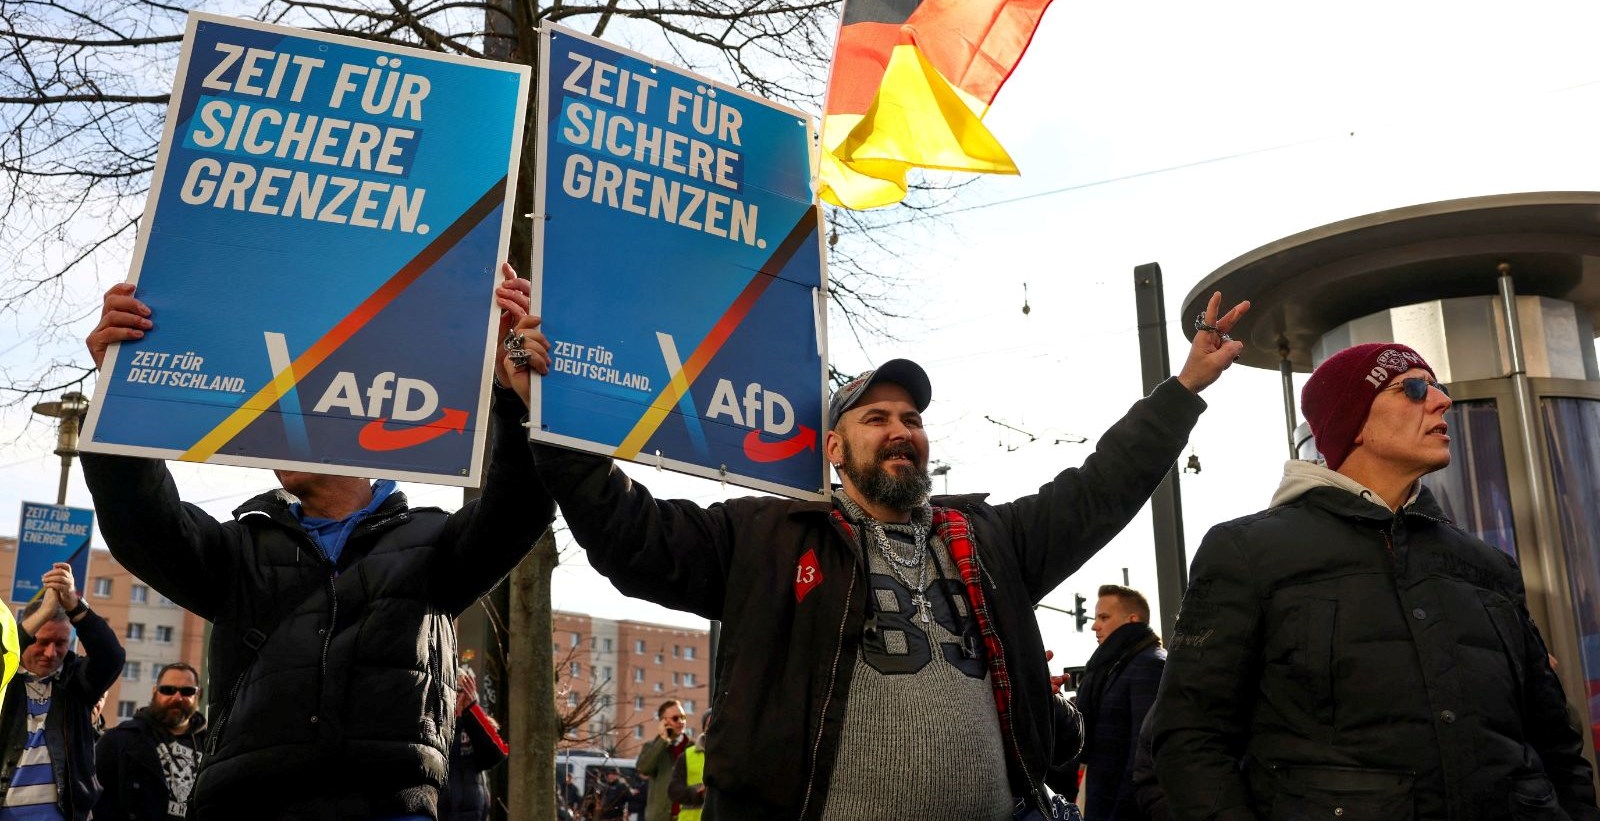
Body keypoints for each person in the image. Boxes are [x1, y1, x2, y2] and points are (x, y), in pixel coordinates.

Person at [493, 278, 1246, 821]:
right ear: (833, 448)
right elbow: (633, 535)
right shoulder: (768, 538)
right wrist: (545, 411)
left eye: (912, 417)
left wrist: (1183, 388)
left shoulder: (992, 541)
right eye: (876, 415)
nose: (900, 429)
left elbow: (1099, 487)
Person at [79, 274, 555, 820]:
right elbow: (142, 522)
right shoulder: (240, 550)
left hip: (389, 807)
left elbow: (518, 512)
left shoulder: (431, 545)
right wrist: (119, 388)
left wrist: (515, 395)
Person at [1152, 342, 1600, 821]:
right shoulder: (1248, 552)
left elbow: (1556, 740)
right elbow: (1190, 738)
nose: (1441, 400)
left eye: (1438, 387)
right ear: (1354, 422)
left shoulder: (1489, 566)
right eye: (1412, 388)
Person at [0, 561, 125, 821]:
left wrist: (74, 605)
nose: (51, 653)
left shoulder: (76, 681)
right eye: (42, 642)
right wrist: (45, 610)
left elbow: (111, 656)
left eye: (60, 643)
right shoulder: (6, 678)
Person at [1078, 585, 1163, 821]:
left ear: (1132, 620)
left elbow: (1142, 756)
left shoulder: (1149, 665)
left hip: (1122, 811)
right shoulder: (1114, 667)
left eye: (1104, 617)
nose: (1095, 626)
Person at [94, 662, 208, 820]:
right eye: (168, 690)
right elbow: (95, 802)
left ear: (199, 695)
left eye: (187, 691)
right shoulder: (121, 740)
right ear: (155, 692)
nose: (177, 697)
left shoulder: (213, 745)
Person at [438, 669, 508, 821]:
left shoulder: (475, 723)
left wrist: (472, 709)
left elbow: (497, 753)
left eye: (464, 691)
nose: (460, 696)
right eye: (456, 690)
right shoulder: (434, 721)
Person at [637, 700, 690, 821]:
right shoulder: (652, 747)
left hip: (687, 816)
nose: (681, 722)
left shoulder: (693, 747)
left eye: (683, 717)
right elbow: (643, 768)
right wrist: (662, 740)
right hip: (660, 817)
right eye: (675, 718)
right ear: (663, 722)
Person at [668, 710, 711, 821]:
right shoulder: (686, 756)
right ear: (703, 728)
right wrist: (697, 792)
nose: (713, 727)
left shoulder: (733, 756)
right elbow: (673, 791)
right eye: (709, 724)